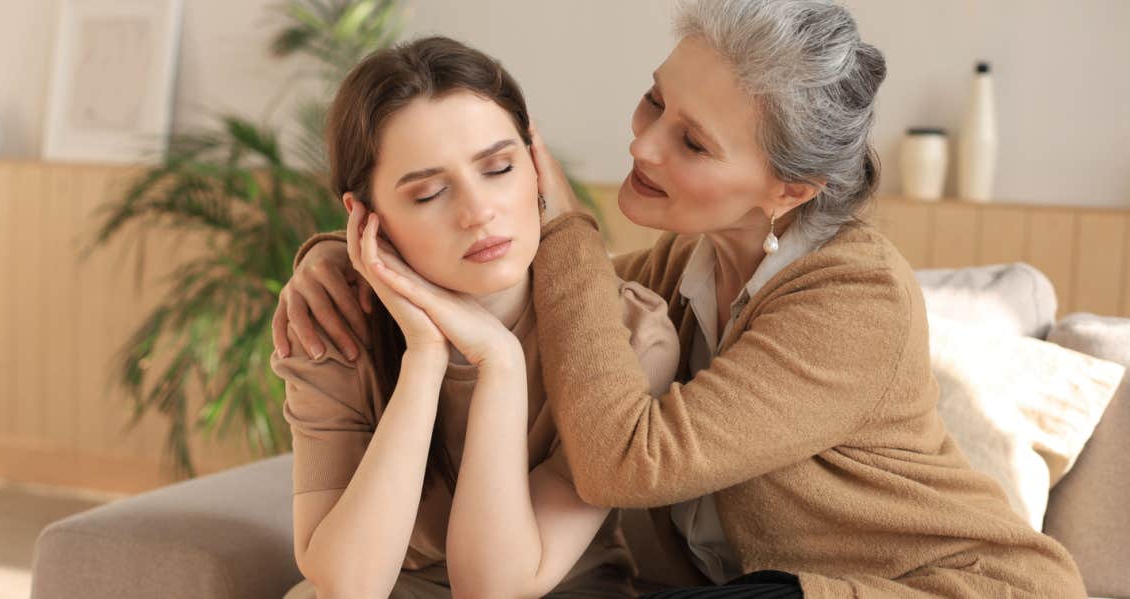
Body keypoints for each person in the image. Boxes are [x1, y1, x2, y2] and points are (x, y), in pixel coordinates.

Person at [273, 1, 1088, 597]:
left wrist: (568, 226)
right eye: (657, 100)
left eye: (692, 142)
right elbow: (529, 293)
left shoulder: (856, 297)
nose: (643, 143)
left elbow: (624, 454)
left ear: (787, 188)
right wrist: (340, 264)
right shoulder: (683, 269)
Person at [269, 35, 681, 599]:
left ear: (538, 166)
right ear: (368, 217)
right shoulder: (334, 321)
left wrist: (500, 363)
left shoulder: (631, 336)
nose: (478, 211)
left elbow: (493, 588)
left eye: (499, 167)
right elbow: (347, 586)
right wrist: (426, 354)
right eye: (429, 192)